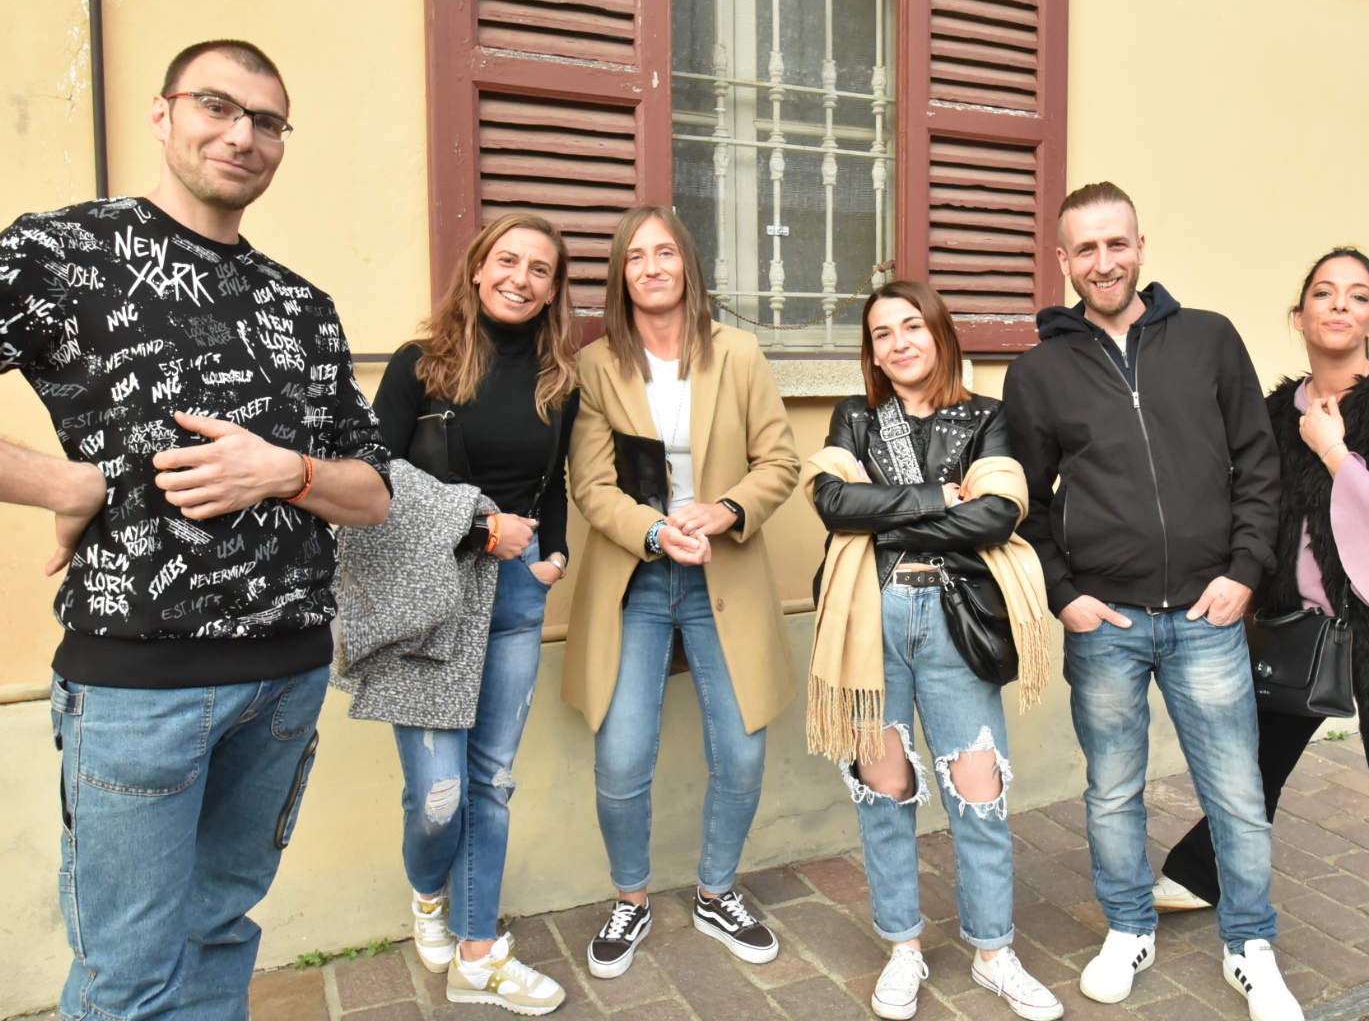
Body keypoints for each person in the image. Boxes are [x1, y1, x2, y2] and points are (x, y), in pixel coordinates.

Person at [0, 40, 391, 1020]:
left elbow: (374, 493)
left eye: (267, 121)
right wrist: (67, 480)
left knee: (220, 931)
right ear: (163, 114)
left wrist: (287, 470)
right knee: (128, 974)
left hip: (287, 679)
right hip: (141, 688)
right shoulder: (62, 255)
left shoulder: (301, 305)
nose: (242, 135)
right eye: (217, 106)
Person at [1154, 249, 1369, 1021]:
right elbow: (1249, 507)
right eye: (1324, 292)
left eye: (1357, 295)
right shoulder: (1277, 410)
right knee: (1254, 766)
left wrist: (1333, 450)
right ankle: (1200, 871)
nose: (1340, 305)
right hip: (1305, 634)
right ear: (1301, 315)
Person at [1002, 182, 1303, 1021]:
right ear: (1063, 261)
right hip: (1107, 623)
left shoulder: (1208, 338)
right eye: (1086, 249)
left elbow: (1259, 464)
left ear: (1141, 247)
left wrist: (1244, 572)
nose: (1104, 262)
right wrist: (1065, 595)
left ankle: (1250, 946)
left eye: (1117, 244)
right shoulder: (1038, 372)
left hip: (1209, 615)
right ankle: (1129, 927)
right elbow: (1024, 499)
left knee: (1236, 792)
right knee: (1112, 791)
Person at [805, 281, 1064, 1021]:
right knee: (884, 791)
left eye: (912, 326)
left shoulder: (987, 416)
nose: (899, 344)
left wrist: (881, 515)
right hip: (868, 619)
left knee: (979, 791)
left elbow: (997, 516)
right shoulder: (856, 417)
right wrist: (938, 498)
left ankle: (993, 953)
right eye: (882, 334)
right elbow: (830, 503)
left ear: (940, 332)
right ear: (872, 351)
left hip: (956, 618)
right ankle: (903, 947)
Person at [565, 205, 800, 979]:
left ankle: (716, 892)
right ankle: (630, 898)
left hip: (723, 574)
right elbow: (591, 486)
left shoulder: (738, 353)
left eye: (665, 252)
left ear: (688, 265)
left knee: (741, 750)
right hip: (635, 575)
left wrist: (726, 509)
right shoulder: (597, 366)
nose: (652, 267)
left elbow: (779, 462)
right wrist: (657, 531)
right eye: (636, 256)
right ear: (620, 275)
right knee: (622, 754)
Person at [366, 212, 580, 1013]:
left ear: (554, 290)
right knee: (439, 796)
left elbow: (552, 484)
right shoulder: (420, 365)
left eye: (540, 269)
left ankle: (478, 952)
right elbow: (373, 483)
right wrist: (479, 530)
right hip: (430, 593)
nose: (521, 279)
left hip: (517, 593)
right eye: (508, 261)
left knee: (490, 781)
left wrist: (554, 554)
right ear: (479, 268)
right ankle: (430, 896)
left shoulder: (560, 381)